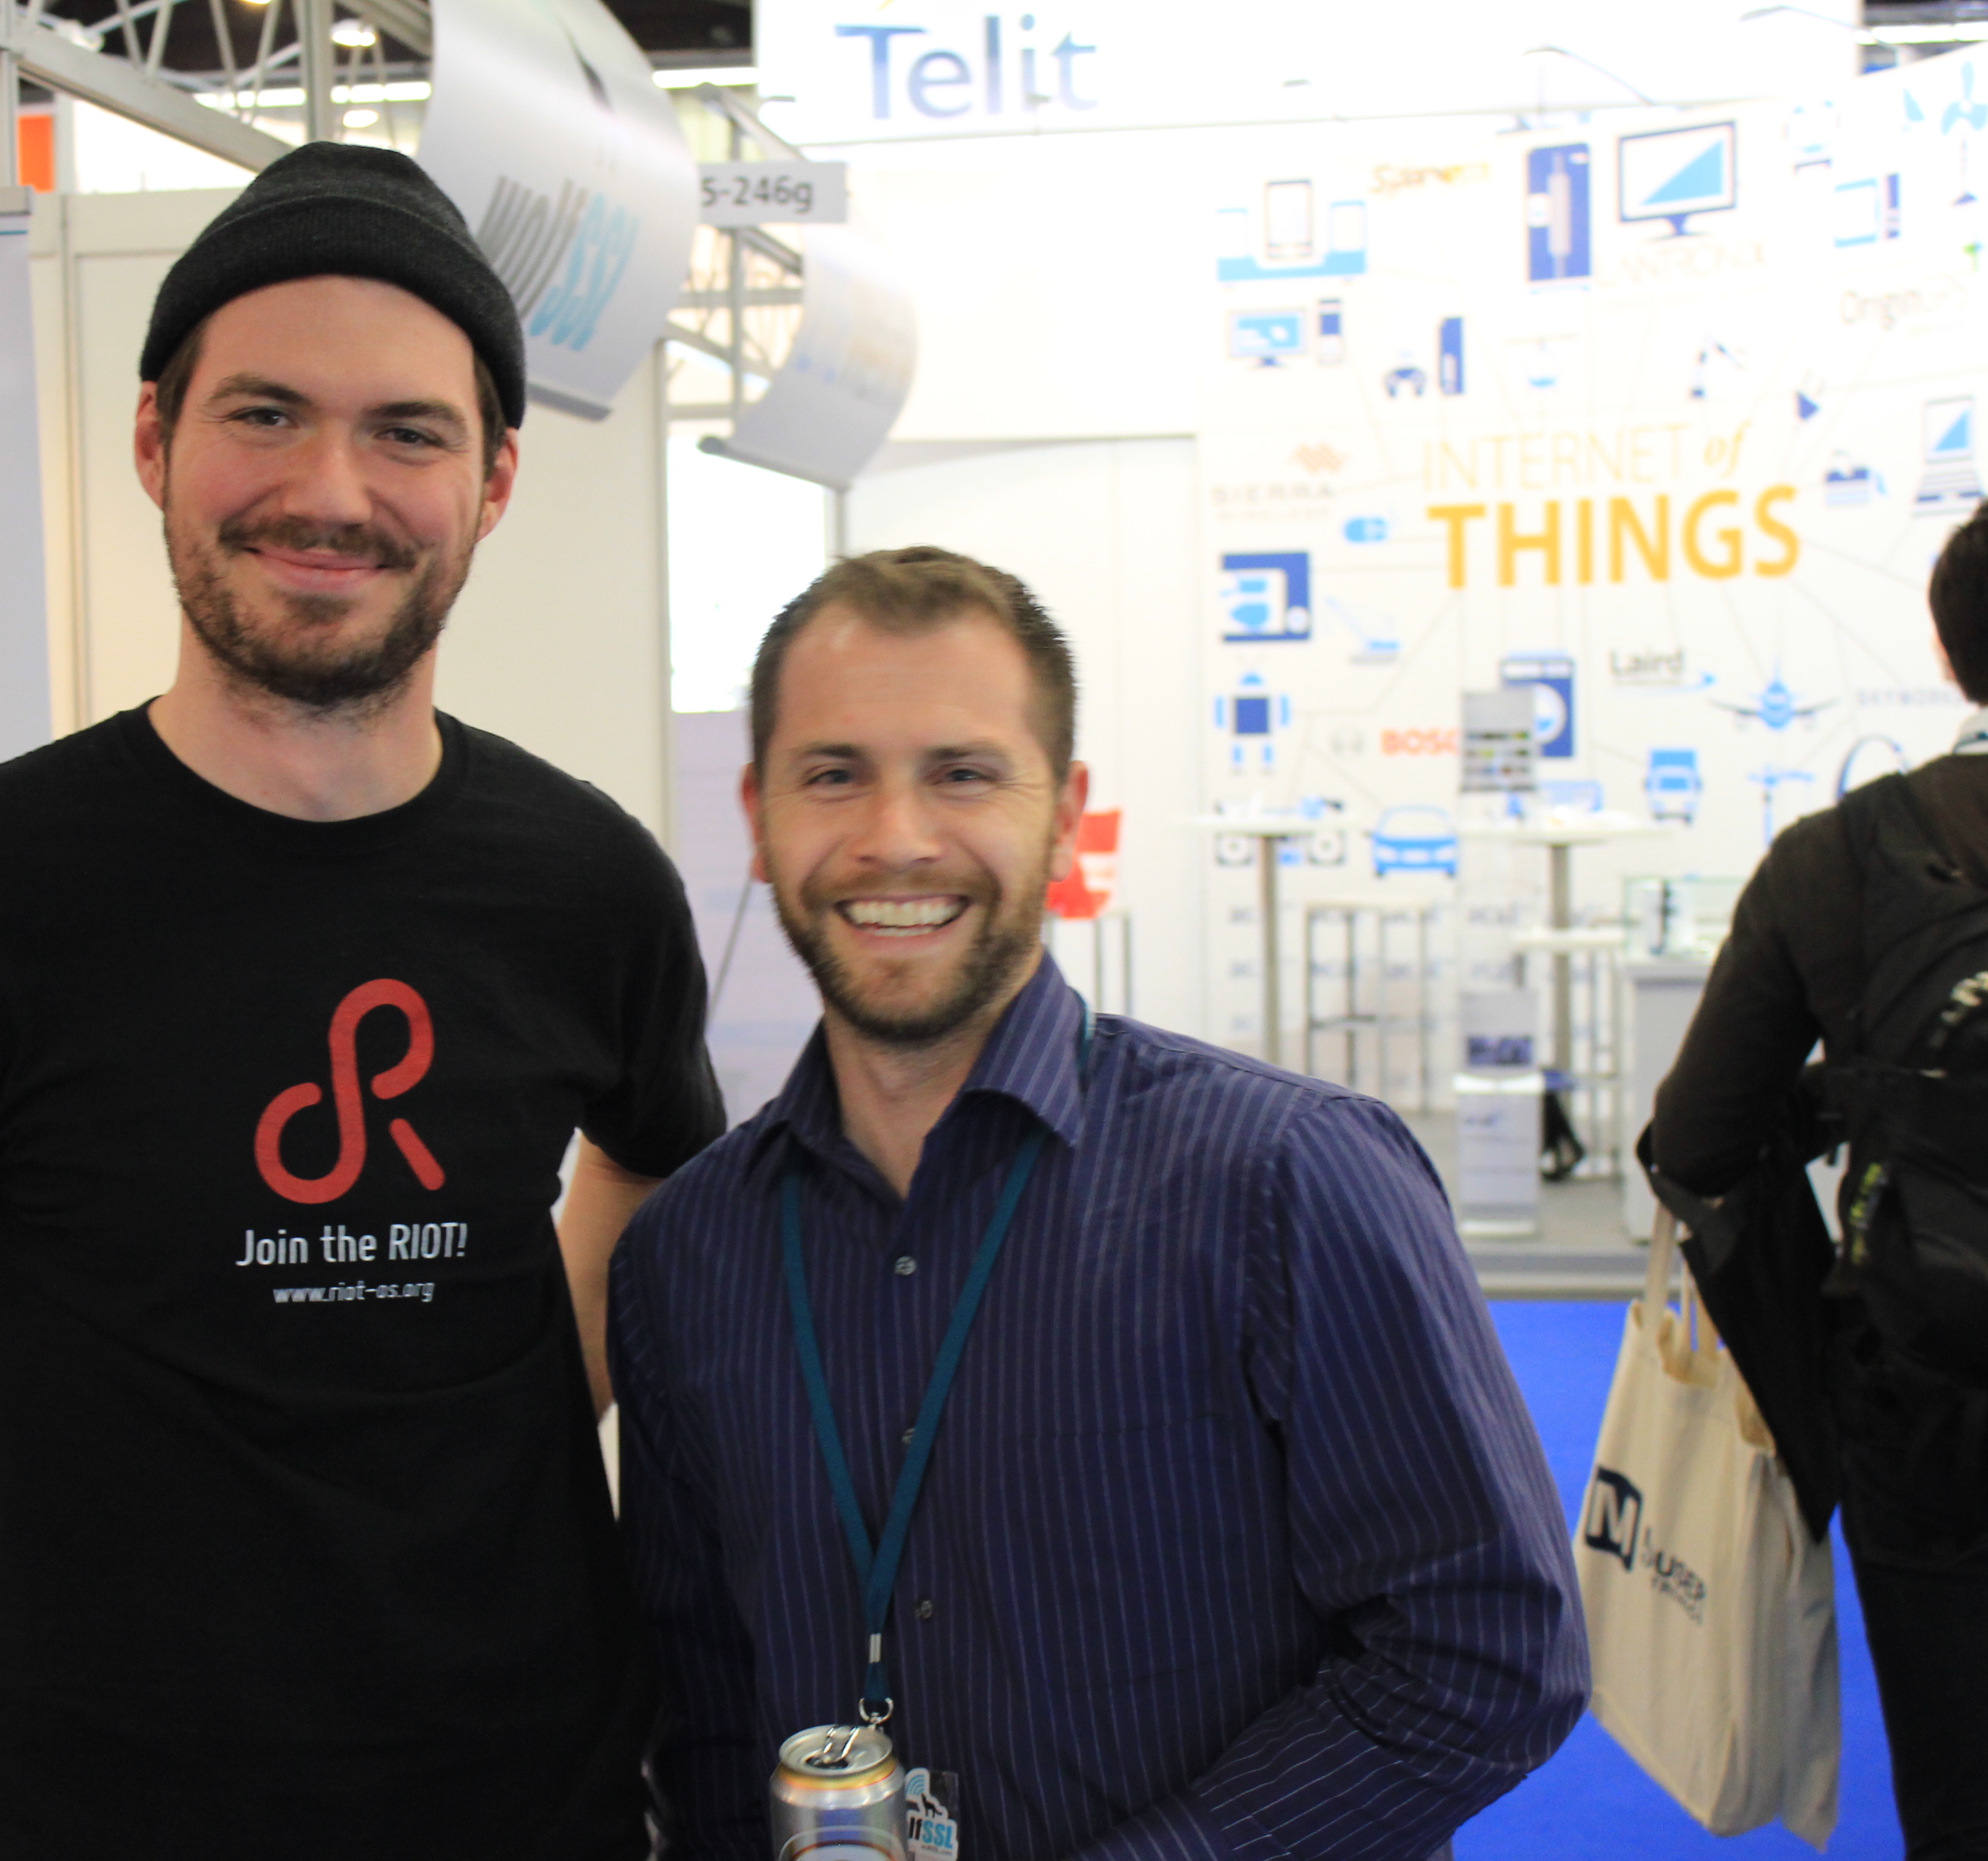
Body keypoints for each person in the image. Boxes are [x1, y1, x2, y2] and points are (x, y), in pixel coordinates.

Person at [0, 143, 724, 1861]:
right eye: (265, 414)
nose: (331, 491)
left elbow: (654, 1168)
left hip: (530, 1805)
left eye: (407, 432)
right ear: (155, 440)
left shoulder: (590, 888)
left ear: (494, 480)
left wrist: (508, 1396)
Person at [607, 547, 1587, 1859]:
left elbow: (1486, 1651)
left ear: (1065, 814)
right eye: (834, 774)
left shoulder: (1288, 1180)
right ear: (759, 813)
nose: (896, 837)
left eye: (963, 773)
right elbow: (709, 1719)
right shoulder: (688, 1255)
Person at [1654, 484, 1988, 1861]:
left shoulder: (1837, 856)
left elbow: (1697, 1143)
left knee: (1969, 1809)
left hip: (1924, 1406)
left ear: (1949, 652)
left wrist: (1855, 1126)